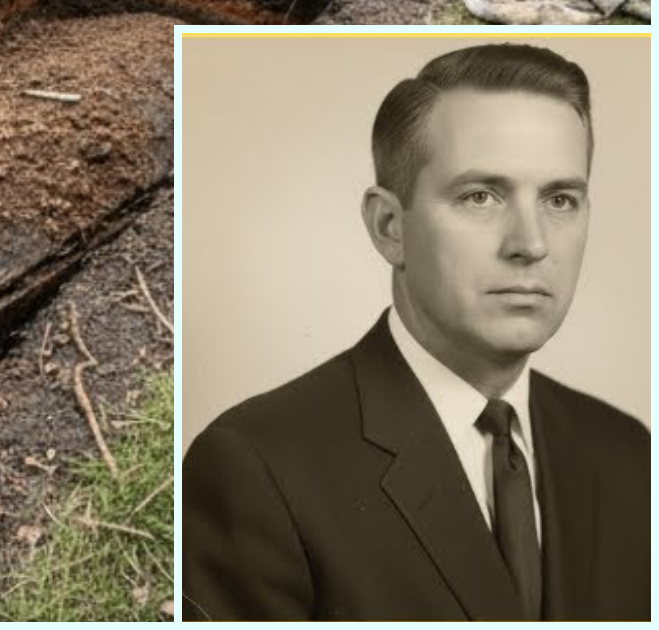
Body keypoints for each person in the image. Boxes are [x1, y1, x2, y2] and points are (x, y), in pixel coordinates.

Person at [182, 42, 649, 622]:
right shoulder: (258, 470)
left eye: (560, 199)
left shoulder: (629, 455)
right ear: (388, 227)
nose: (531, 243)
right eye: (481, 196)